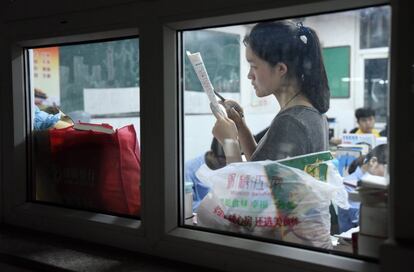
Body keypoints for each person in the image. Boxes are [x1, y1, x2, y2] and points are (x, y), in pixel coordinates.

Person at [211, 20, 330, 162]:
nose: (250, 75)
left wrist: (229, 142)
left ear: (280, 69)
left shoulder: (291, 123)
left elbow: (247, 184)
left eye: (254, 66)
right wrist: (240, 126)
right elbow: (262, 166)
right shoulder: (305, 112)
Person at [337, 144, 388, 233]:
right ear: (373, 162)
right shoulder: (349, 184)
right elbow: (362, 220)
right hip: (351, 242)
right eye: (388, 169)